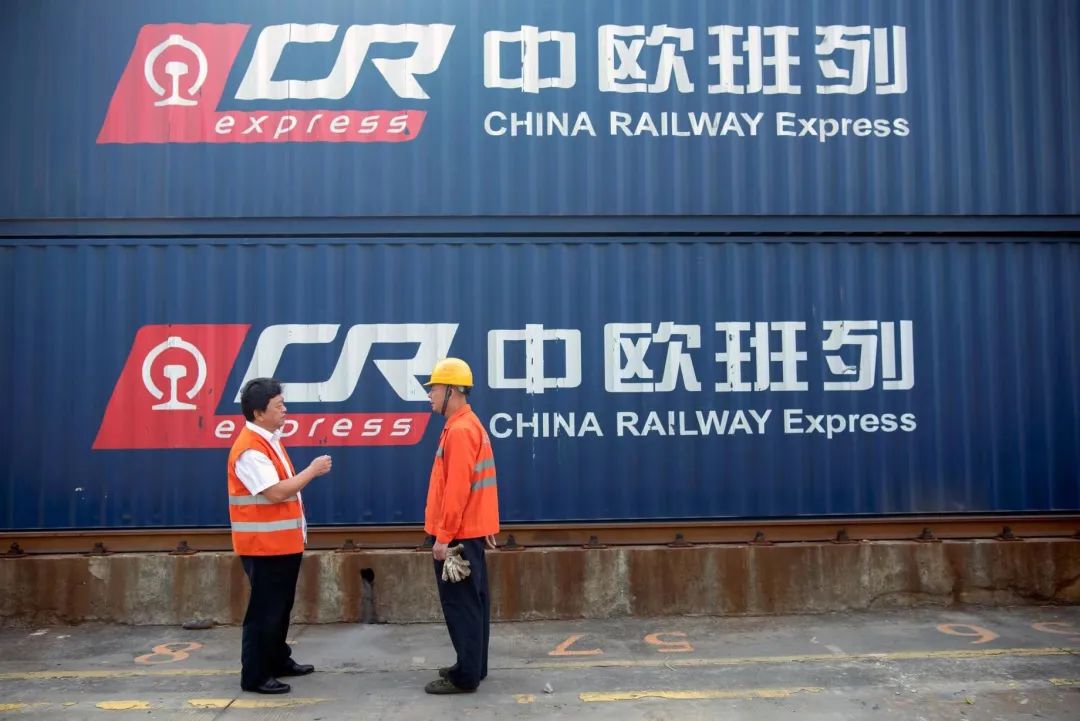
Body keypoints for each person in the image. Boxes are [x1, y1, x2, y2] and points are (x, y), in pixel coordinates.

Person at [226, 377, 332, 694]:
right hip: (263, 546)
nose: (285, 410)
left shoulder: (269, 440)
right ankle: (255, 675)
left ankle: (277, 659)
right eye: (278, 406)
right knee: (264, 612)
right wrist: (312, 470)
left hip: (281, 544)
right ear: (259, 413)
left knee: (280, 608)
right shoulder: (249, 449)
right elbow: (275, 492)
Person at [421, 358, 500, 694]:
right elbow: (478, 484)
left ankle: (465, 676)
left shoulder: (460, 431)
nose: (429, 395)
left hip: (457, 536)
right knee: (474, 603)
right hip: (470, 531)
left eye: (434, 389)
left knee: (461, 606)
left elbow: (456, 490)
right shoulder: (468, 424)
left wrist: (443, 537)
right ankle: (474, 666)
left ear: (452, 391)